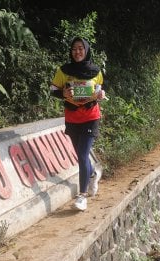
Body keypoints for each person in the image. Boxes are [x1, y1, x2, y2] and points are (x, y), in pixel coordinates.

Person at [50, 37, 105, 211]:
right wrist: (63, 93)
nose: (77, 52)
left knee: (82, 154)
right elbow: (52, 90)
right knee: (81, 155)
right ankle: (94, 174)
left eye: (81, 48)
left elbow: (100, 89)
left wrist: (100, 94)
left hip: (91, 116)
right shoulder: (64, 71)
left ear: (87, 50)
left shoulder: (96, 71)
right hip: (72, 118)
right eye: (74, 49)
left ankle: (82, 196)